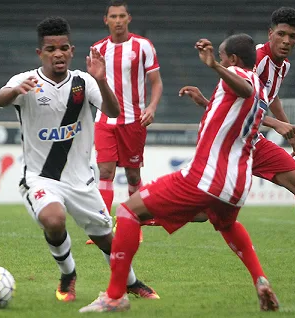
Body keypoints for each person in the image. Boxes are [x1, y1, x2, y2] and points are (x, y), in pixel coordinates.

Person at [79, 34, 280, 313]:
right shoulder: (260, 84)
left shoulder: (236, 74)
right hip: (237, 183)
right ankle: (260, 279)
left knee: (128, 212)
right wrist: (205, 102)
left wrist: (215, 67)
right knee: (226, 225)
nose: (218, 60)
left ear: (233, 59)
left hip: (205, 176)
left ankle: (114, 296)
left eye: (221, 56)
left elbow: (242, 89)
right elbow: (237, 108)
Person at [0, 16, 159, 302]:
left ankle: (131, 282)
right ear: (40, 53)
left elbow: (114, 110)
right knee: (53, 219)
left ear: (71, 51)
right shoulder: (26, 81)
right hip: (40, 177)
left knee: (105, 237)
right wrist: (14, 92)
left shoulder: (84, 81)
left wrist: (102, 80)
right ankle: (68, 274)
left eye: (63, 48)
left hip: (81, 180)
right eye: (50, 49)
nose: (57, 53)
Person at [179, 7, 295, 279]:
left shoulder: (283, 65)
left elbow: (271, 96)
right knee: (203, 211)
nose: (287, 41)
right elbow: (240, 102)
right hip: (231, 142)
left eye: (293, 36)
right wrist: (278, 125)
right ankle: (140, 217)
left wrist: (289, 128)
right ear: (270, 34)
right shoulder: (254, 58)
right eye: (281, 34)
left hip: (253, 140)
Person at [86, 0, 163, 245]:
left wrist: (151, 107)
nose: (118, 21)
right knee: (105, 171)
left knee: (132, 175)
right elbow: (91, 85)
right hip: (105, 119)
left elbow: (156, 82)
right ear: (105, 20)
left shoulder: (143, 46)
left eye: (122, 16)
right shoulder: (97, 49)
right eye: (113, 16)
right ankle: (102, 227)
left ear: (129, 18)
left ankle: (133, 224)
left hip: (133, 120)